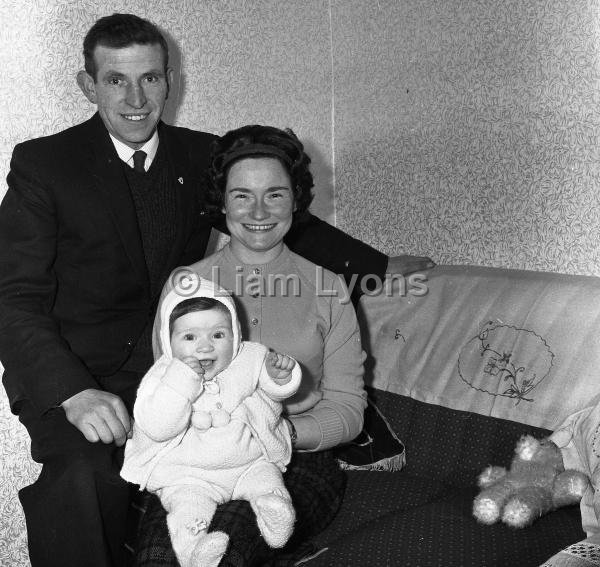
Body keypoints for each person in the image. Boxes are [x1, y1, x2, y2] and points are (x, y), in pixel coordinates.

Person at [0, 12, 432, 567]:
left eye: (150, 78)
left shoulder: (199, 155)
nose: (136, 97)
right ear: (88, 85)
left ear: (169, 81)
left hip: (185, 367)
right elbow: (12, 296)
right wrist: (71, 391)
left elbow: (274, 210)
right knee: (83, 478)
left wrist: (377, 265)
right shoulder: (46, 164)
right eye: (116, 80)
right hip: (83, 376)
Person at [135, 124, 371, 566]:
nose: (258, 209)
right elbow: (164, 397)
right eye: (242, 194)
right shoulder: (185, 286)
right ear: (221, 201)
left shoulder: (329, 288)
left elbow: (348, 409)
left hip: (297, 459)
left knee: (229, 550)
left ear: (296, 199)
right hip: (196, 460)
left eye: (275, 194)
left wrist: (278, 434)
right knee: (160, 557)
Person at [121, 275, 301, 567]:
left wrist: (280, 376)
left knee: (267, 480)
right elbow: (157, 426)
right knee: (187, 510)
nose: (205, 347)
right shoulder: (163, 376)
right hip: (190, 475)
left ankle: (277, 517)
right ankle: (195, 551)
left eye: (217, 335)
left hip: (248, 463)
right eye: (189, 337)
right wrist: (181, 380)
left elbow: (273, 389)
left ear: (235, 334)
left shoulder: (250, 357)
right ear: (169, 340)